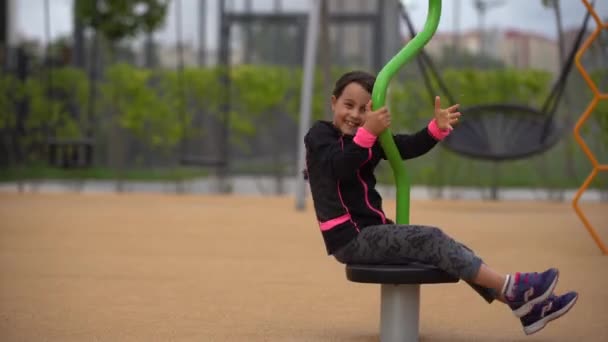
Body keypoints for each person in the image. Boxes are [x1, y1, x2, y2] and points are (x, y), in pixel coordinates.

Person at [303, 70, 578, 335]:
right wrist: (368, 132)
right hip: (349, 238)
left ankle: (527, 308)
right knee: (430, 238)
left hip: (372, 232)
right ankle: (516, 287)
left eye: (364, 110)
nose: (354, 115)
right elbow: (338, 166)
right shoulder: (320, 136)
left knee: (455, 249)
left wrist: (435, 129)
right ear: (333, 102)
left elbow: (405, 147)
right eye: (348, 105)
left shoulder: (369, 139)